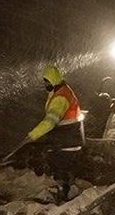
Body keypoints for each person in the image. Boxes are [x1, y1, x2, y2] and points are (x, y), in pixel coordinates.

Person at [24, 65, 84, 200]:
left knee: (58, 165)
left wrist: (34, 134)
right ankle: (68, 191)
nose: (46, 84)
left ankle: (59, 193)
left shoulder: (60, 97)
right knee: (62, 165)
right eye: (45, 81)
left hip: (66, 138)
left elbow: (51, 120)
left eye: (48, 81)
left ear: (54, 80)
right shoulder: (62, 91)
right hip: (69, 137)